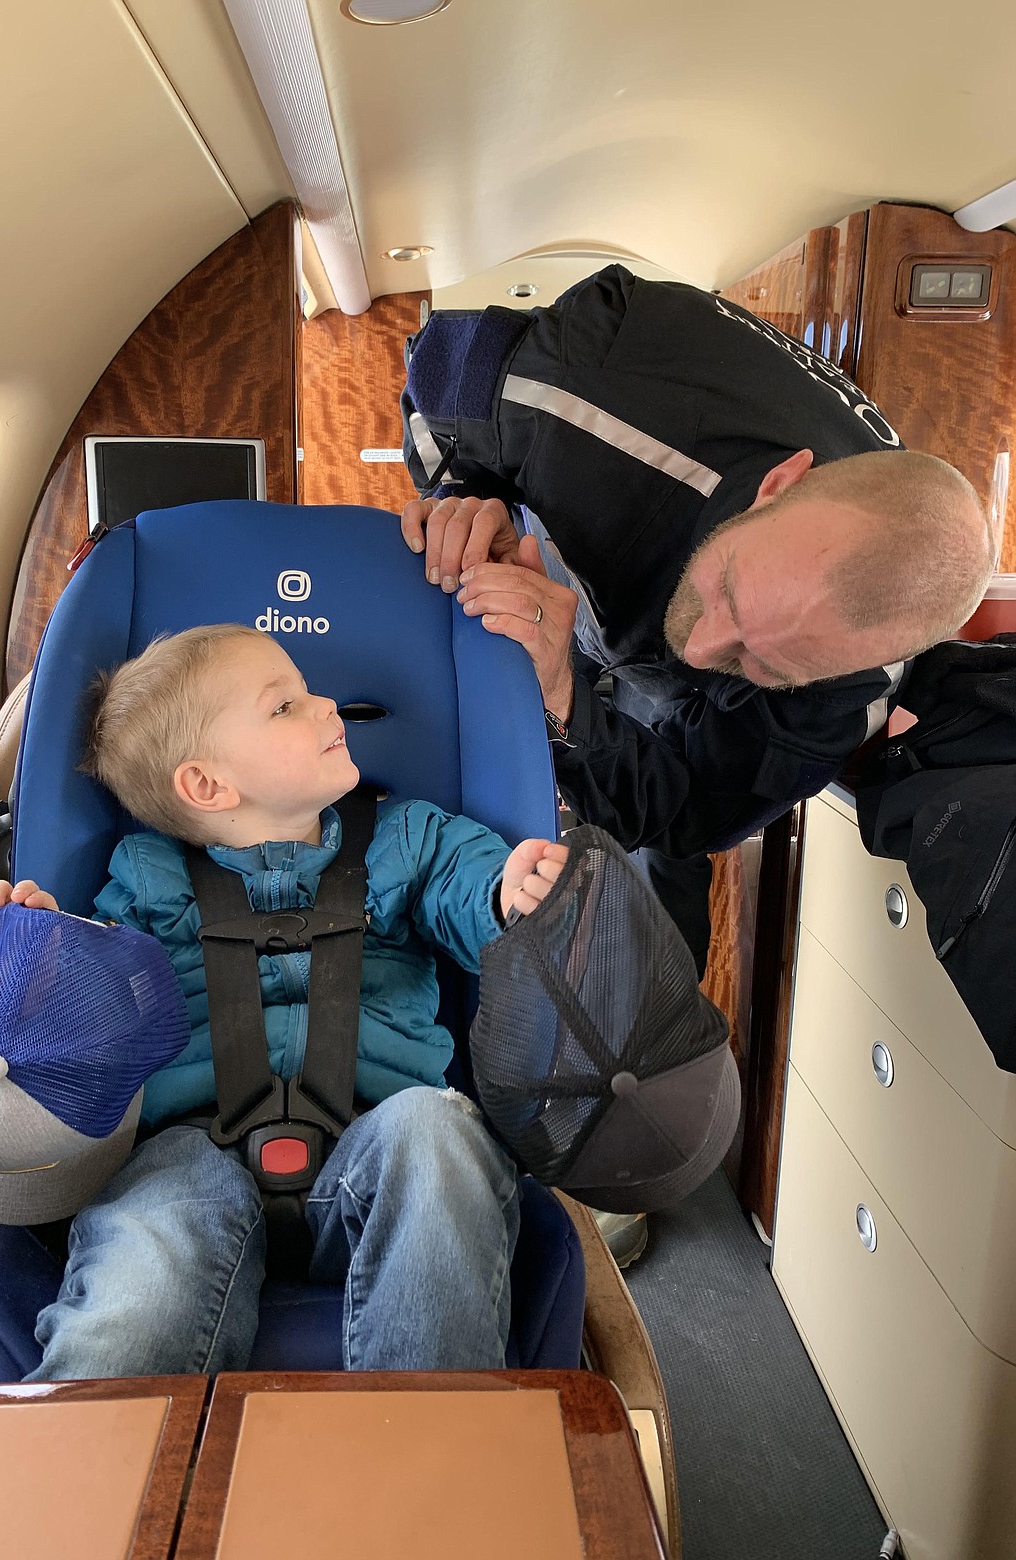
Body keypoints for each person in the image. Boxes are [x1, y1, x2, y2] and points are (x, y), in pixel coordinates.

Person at [400, 264, 994, 1269]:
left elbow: (679, 806)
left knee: (639, 868)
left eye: (765, 657)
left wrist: (568, 695)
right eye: (731, 594)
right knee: (512, 799)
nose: (716, 638)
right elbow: (430, 385)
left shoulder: (835, 700)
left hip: (680, 708)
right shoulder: (594, 386)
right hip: (595, 543)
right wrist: (467, 491)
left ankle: (603, 1135)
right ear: (777, 486)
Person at [0, 622, 570, 1380]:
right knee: (153, 1251)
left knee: (440, 1129)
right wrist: (34, 963)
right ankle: (96, 1466)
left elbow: (467, 890)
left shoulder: (409, 840)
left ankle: (429, 1457)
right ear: (208, 785)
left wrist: (507, 894)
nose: (328, 705)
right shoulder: (147, 880)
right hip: (191, 1153)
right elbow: (102, 1009)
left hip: (376, 1150)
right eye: (284, 706)